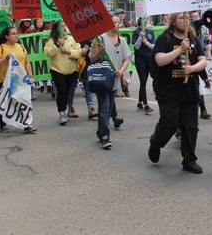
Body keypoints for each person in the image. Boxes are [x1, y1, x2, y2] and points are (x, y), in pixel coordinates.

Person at [148, 13, 207, 173]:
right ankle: (156, 142)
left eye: (187, 18)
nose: (186, 21)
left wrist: (193, 68)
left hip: (189, 91)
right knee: (169, 124)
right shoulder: (164, 39)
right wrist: (180, 50)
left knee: (190, 127)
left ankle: (189, 160)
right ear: (173, 22)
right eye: (182, 18)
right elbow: (159, 60)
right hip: (168, 91)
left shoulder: (193, 39)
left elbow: (203, 60)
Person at [90, 16, 131, 150]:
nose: (118, 24)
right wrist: (99, 51)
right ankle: (105, 136)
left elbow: (126, 59)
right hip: (103, 79)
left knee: (107, 109)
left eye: (119, 22)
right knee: (104, 107)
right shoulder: (100, 39)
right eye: (115, 22)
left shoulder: (122, 40)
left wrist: (121, 71)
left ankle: (101, 131)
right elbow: (91, 59)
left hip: (115, 79)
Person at [0, 26, 37, 134]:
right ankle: (2, 123)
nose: (16, 35)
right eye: (13, 33)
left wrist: (30, 76)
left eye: (17, 33)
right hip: (3, 81)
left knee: (23, 101)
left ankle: (26, 124)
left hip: (20, 81)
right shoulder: (1, 48)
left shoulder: (21, 47)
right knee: (4, 102)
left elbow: (26, 62)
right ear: (7, 36)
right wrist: (5, 58)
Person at [44, 21, 81, 125]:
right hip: (57, 70)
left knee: (69, 91)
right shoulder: (51, 41)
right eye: (62, 26)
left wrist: (68, 51)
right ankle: (62, 113)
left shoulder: (72, 39)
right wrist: (57, 45)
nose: (64, 28)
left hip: (71, 70)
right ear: (56, 29)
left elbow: (78, 53)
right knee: (62, 91)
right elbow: (48, 53)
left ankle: (69, 108)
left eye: (65, 26)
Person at [132, 17, 155, 115]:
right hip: (140, 57)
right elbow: (136, 46)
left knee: (144, 81)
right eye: (144, 18)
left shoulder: (150, 31)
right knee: (143, 80)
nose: (146, 20)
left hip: (148, 57)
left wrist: (146, 42)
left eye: (147, 18)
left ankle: (139, 102)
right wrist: (140, 38)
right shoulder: (136, 31)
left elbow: (153, 46)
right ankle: (145, 104)